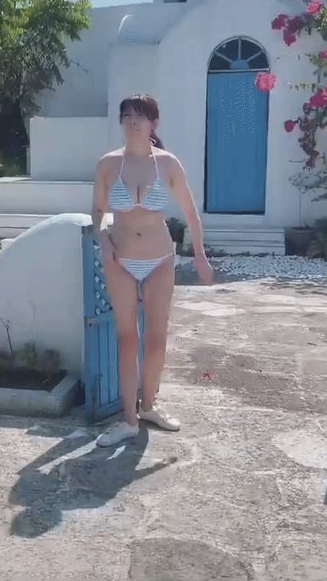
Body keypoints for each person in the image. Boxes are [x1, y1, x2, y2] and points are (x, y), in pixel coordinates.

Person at [91, 93, 214, 447]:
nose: (133, 121)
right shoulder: (108, 165)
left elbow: (190, 212)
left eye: (140, 116)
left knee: (157, 338)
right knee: (128, 339)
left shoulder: (168, 164)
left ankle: (149, 407)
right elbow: (98, 210)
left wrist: (200, 256)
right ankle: (129, 421)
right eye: (127, 115)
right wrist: (104, 241)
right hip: (121, 262)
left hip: (160, 259)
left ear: (153, 123)